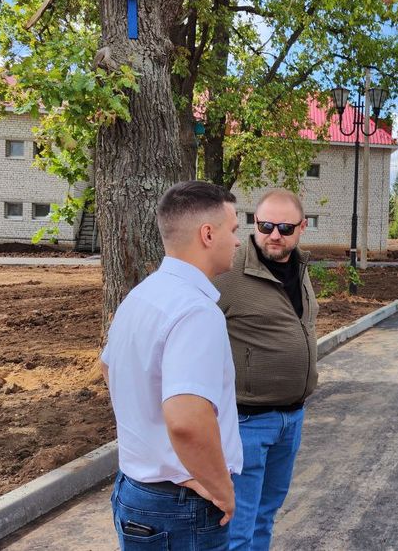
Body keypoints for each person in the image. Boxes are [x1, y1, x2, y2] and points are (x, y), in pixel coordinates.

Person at [100, 180, 244, 549]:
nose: (239, 241)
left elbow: (110, 370)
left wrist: (153, 449)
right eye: (234, 230)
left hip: (137, 491)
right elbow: (187, 421)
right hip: (180, 510)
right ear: (208, 234)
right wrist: (220, 487)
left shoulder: (141, 295)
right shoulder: (196, 312)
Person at [213, 188, 319, 551]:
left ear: (302, 228)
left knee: (266, 514)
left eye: (285, 227)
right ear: (254, 223)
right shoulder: (229, 271)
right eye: (266, 225)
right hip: (247, 424)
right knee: (238, 525)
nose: (275, 234)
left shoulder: (299, 268)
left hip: (291, 419)